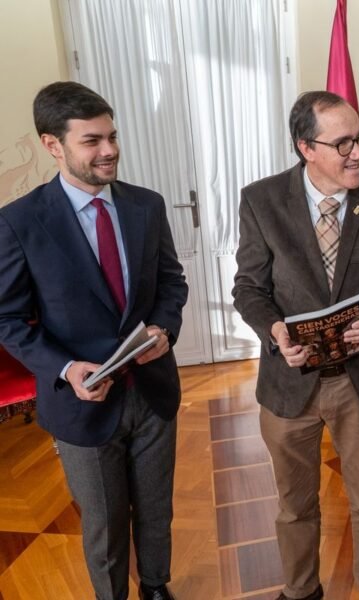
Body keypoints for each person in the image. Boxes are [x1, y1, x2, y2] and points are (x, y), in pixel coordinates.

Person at [0, 82, 188, 600]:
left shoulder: (146, 206)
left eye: (111, 136)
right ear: (52, 145)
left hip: (152, 393)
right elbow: (8, 319)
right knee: (104, 526)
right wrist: (66, 370)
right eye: (91, 141)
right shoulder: (18, 223)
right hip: (81, 407)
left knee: (156, 509)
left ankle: (155, 587)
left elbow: (171, 284)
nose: (108, 150)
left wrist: (164, 329)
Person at [232, 90, 359, 600]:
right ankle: (300, 591)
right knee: (295, 505)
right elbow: (249, 287)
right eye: (343, 144)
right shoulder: (260, 200)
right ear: (305, 148)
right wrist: (274, 332)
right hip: (289, 384)